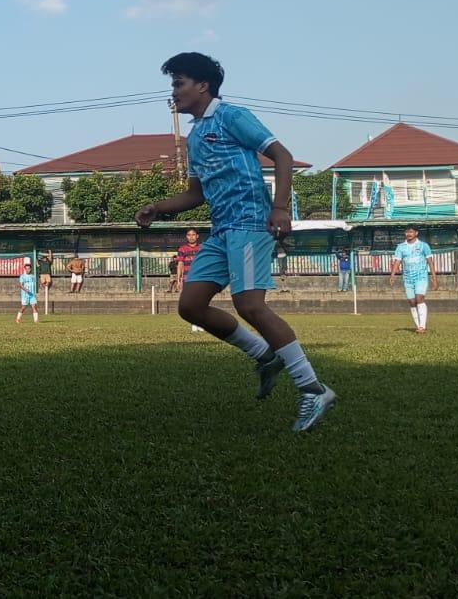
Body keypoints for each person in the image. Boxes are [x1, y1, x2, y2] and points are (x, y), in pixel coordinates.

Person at [136, 52, 336, 433]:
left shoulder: (232, 116)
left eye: (178, 83)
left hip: (249, 223)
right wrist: (158, 207)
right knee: (191, 305)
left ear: (202, 85)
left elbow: (282, 155)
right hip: (222, 229)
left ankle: (313, 388)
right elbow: (196, 193)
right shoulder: (194, 137)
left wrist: (280, 208)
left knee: (250, 305)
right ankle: (264, 355)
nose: (173, 92)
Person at [390, 226, 433, 334]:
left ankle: (422, 326)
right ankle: (418, 326)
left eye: (411, 232)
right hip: (408, 278)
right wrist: (392, 275)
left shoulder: (423, 246)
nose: (408, 234)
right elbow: (397, 261)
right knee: (412, 301)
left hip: (421, 277)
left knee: (419, 298)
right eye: (406, 232)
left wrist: (434, 278)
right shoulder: (401, 247)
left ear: (416, 233)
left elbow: (430, 262)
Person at [170, 229, 201, 294]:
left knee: (200, 300)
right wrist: (178, 280)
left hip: (200, 278)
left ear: (197, 236)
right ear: (186, 236)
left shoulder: (202, 248)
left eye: (193, 235)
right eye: (189, 235)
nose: (191, 237)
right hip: (187, 279)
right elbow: (180, 265)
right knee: (188, 300)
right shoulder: (182, 249)